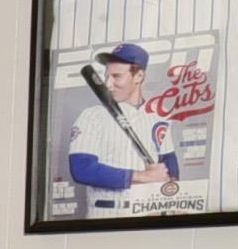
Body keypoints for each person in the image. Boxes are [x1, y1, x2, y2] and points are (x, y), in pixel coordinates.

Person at [64, 44, 180, 213]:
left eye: (116, 76)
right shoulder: (92, 116)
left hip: (149, 213)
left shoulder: (158, 119)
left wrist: (171, 187)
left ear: (139, 76)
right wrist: (143, 177)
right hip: (106, 214)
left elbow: (170, 164)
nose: (108, 84)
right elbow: (82, 169)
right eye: (107, 76)